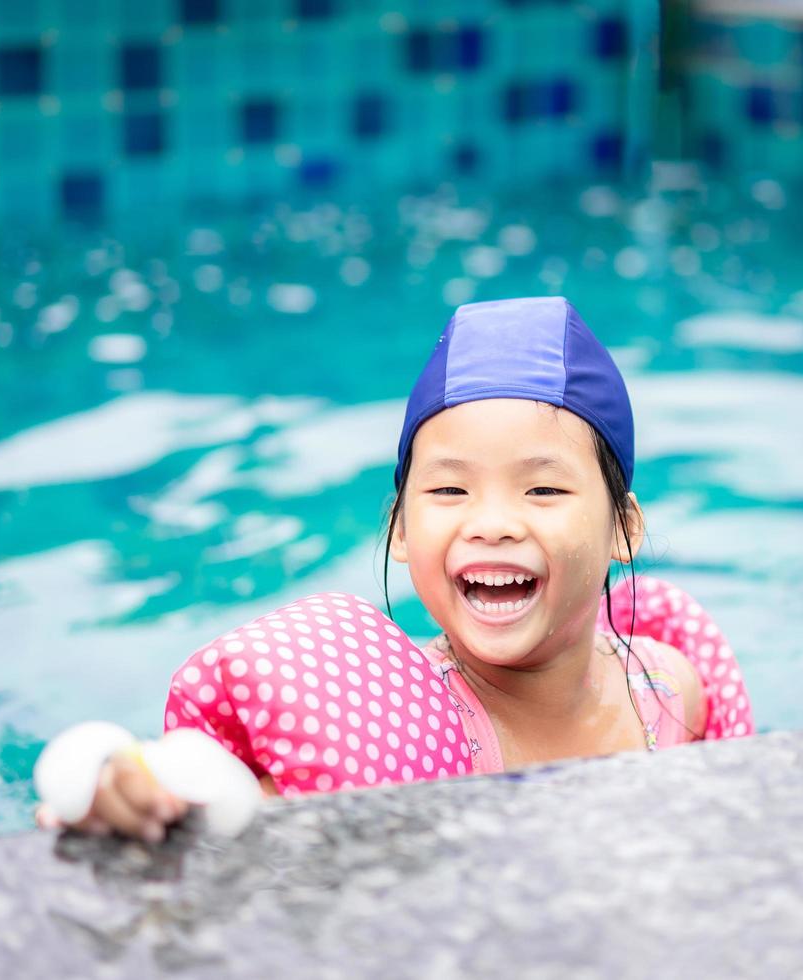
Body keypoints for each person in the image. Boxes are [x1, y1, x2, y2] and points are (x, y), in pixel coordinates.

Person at [37, 297, 752, 841]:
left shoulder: (666, 690)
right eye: (449, 490)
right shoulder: (383, 727)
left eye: (542, 488)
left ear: (624, 528)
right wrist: (112, 781)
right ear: (401, 530)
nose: (491, 521)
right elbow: (207, 796)